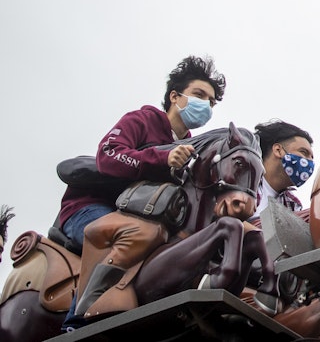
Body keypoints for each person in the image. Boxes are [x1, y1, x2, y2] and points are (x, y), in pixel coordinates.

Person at [58, 55, 225, 329]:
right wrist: (162, 159)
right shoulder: (142, 120)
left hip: (145, 217)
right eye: (199, 94)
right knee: (125, 235)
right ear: (175, 96)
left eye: (210, 101)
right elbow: (108, 154)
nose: (205, 104)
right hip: (91, 208)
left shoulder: (194, 148)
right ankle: (76, 322)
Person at [249, 119, 315, 227]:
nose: (310, 162)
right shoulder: (244, 182)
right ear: (278, 150)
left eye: (312, 158)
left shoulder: (293, 204)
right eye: (304, 152)